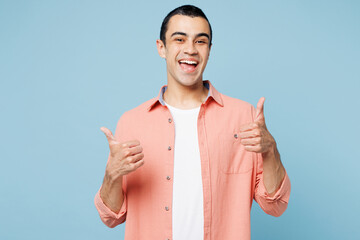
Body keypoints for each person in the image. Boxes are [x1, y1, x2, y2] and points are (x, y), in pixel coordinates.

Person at [94, 4, 291, 240]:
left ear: (209, 49)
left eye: (200, 41)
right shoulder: (132, 122)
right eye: (179, 39)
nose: (190, 49)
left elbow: (275, 205)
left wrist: (271, 151)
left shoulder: (244, 117)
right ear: (161, 48)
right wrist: (111, 175)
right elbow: (112, 217)